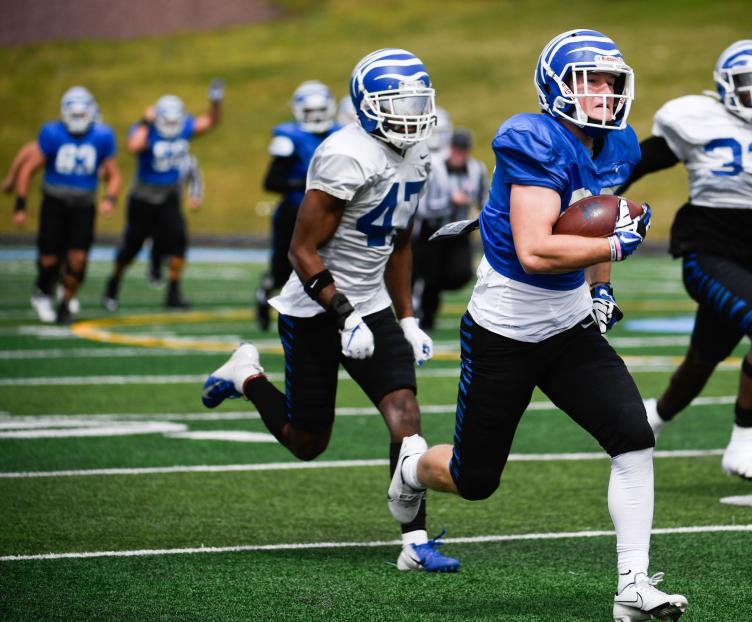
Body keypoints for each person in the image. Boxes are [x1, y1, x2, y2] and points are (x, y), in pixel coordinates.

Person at [386, 30, 688, 621]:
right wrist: (617, 247)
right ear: (556, 85)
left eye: (610, 80)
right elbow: (536, 249)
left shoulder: (619, 145)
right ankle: (413, 467)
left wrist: (602, 287)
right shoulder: (531, 138)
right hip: (505, 329)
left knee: (632, 437)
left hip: (570, 325)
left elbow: (595, 218)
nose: (603, 91)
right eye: (589, 79)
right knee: (475, 479)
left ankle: (632, 587)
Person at [200, 49, 460, 573]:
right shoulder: (344, 153)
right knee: (307, 442)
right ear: (367, 105)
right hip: (313, 308)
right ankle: (247, 376)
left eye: (416, 101)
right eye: (398, 102)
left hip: (372, 305)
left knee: (405, 416)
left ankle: (414, 543)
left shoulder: (418, 152)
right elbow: (300, 251)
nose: (411, 113)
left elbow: (400, 240)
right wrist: (343, 314)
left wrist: (406, 318)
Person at [617, 40, 752, 481]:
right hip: (704, 252)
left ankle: (651, 420)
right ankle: (742, 444)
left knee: (702, 359)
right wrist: (591, 192)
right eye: (747, 85)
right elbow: (641, 161)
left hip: (751, 260)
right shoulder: (697, 119)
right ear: (724, 87)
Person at [102, 78, 224, 311]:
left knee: (179, 243)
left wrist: (215, 101)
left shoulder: (185, 127)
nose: (170, 124)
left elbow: (209, 121)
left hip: (169, 196)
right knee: (132, 246)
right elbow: (133, 146)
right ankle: (113, 284)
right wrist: (145, 123)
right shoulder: (146, 130)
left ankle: (173, 293)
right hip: (142, 197)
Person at [11, 87, 121, 324]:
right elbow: (29, 168)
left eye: (83, 115)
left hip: (84, 205)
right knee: (49, 259)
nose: (79, 121)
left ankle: (66, 303)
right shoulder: (52, 133)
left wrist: (110, 199)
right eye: (75, 115)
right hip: (54, 203)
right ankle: (42, 289)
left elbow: (114, 175)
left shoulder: (102, 136)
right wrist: (20, 205)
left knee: (78, 259)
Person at [255, 81, 341, 330]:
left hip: (330, 213)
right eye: (309, 112)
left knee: (329, 266)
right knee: (285, 270)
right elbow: (271, 182)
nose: (315, 117)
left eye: (319, 111)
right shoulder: (288, 137)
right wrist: (309, 184)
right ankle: (265, 291)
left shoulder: (340, 133)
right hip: (295, 212)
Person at [412, 127, 488, 330]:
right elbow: (424, 207)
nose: (459, 154)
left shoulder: (476, 169)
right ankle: (424, 317)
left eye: (463, 150)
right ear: (450, 148)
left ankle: (429, 290)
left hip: (458, 232)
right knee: (429, 278)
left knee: (461, 274)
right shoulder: (434, 168)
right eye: (456, 149)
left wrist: (487, 219)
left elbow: (484, 201)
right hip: (432, 231)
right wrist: (451, 201)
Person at [148, 154, 204, 288]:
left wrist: (195, 197)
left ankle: (173, 289)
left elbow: (195, 178)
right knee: (157, 237)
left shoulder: (188, 160)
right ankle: (155, 267)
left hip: (173, 205)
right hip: (152, 202)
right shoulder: (157, 156)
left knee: (179, 238)